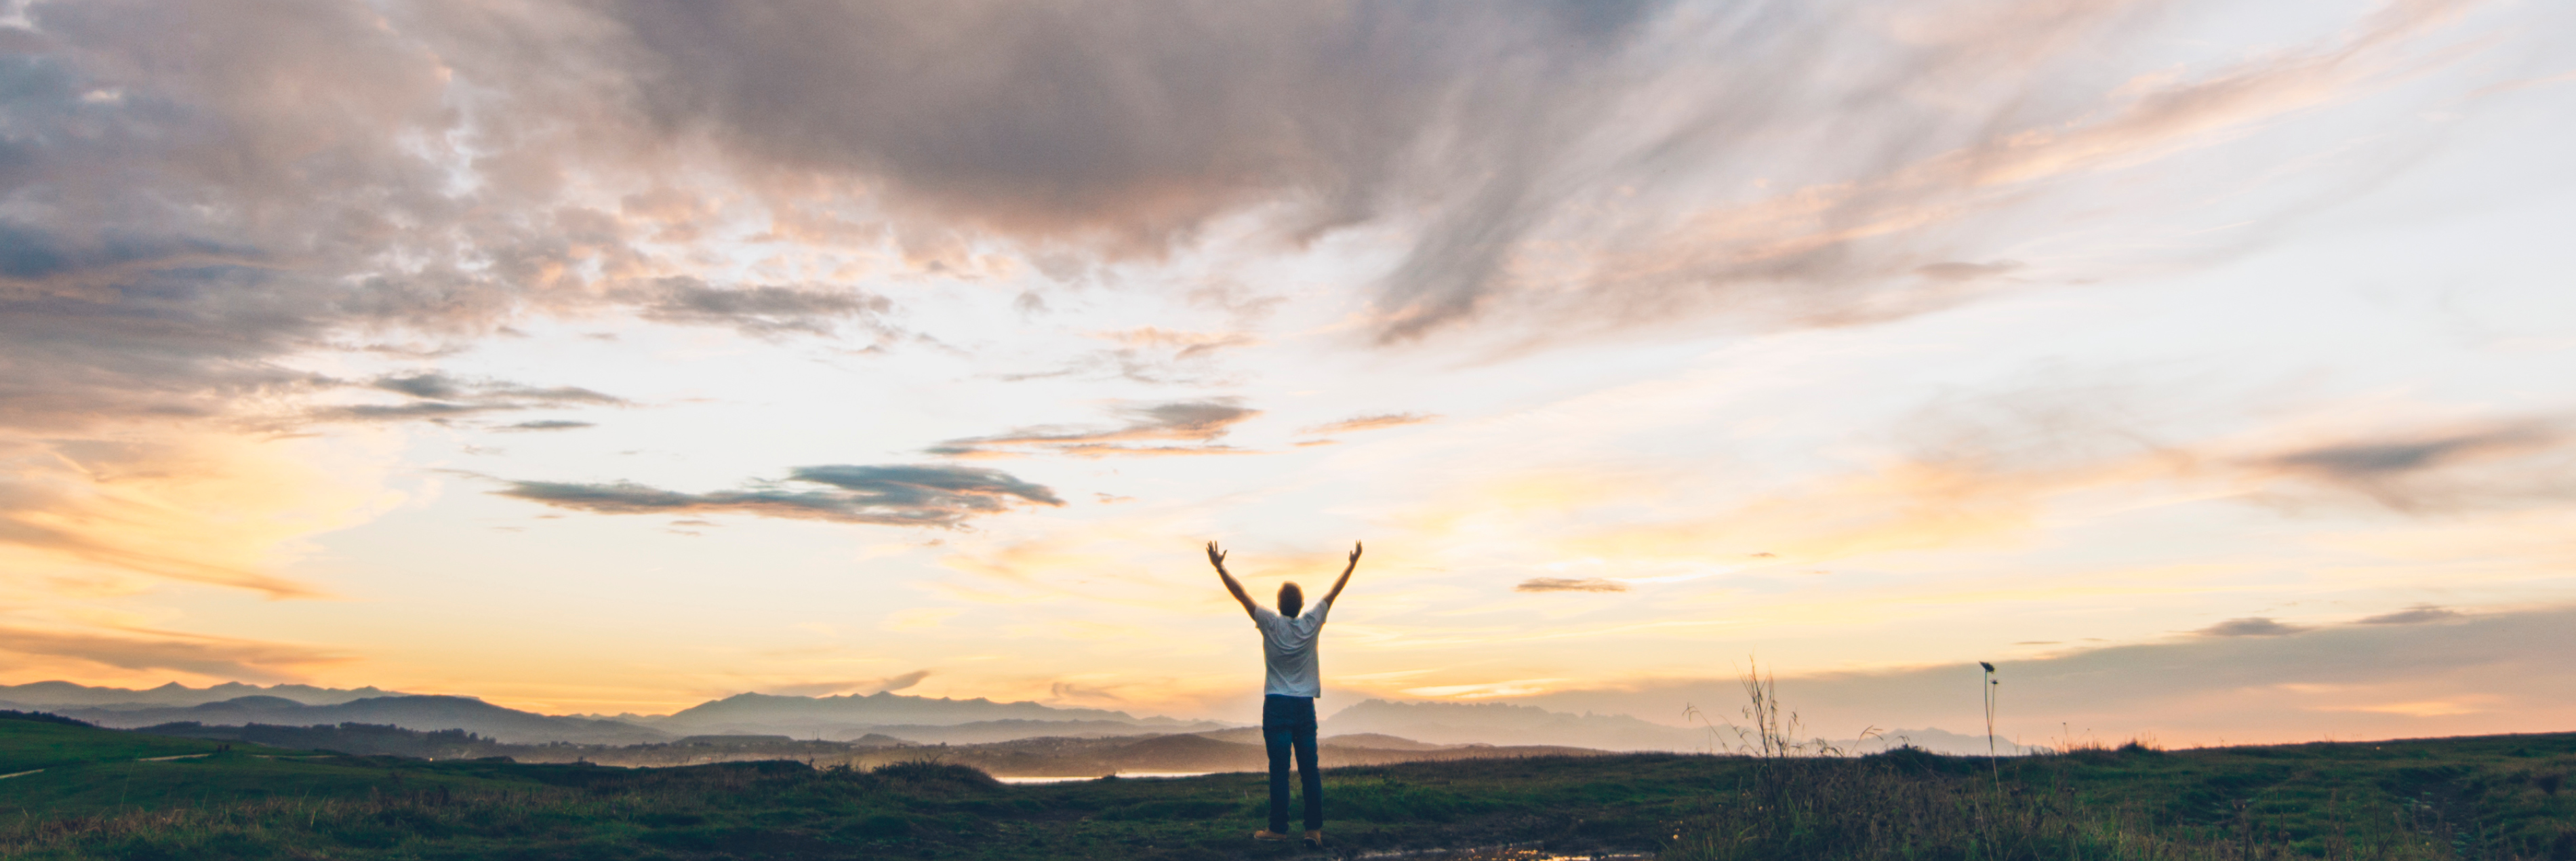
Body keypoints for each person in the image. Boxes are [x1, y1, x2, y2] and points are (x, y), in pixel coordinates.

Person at [1207, 539, 1361, 849]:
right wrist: (1352, 563)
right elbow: (1334, 592)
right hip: (1305, 707)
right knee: (1309, 770)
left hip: (1276, 705)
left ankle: (1278, 829)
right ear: (1302, 605)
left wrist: (1220, 567)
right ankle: (1313, 831)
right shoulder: (1312, 622)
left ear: (1278, 605)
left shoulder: (1269, 623)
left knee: (1279, 770)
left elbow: (1241, 595)